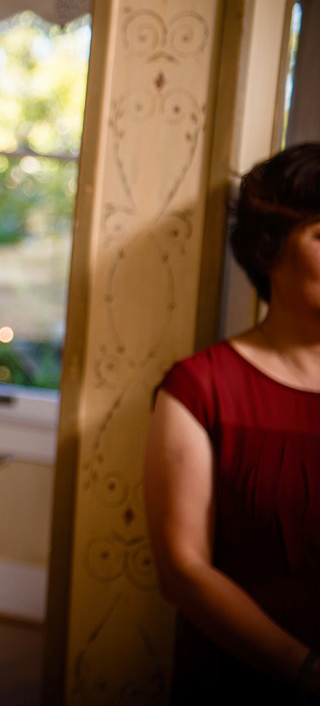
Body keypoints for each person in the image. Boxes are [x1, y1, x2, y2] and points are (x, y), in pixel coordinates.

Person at [144, 142, 320, 704]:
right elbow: (182, 570)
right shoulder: (200, 390)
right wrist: (307, 671)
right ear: (269, 250)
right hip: (250, 677)